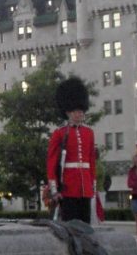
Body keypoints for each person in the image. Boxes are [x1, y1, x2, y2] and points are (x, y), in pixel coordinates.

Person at [46, 76, 97, 224]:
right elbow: (52, 162)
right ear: (68, 112)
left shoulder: (89, 133)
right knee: (70, 227)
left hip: (85, 187)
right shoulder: (60, 133)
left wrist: (92, 186)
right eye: (76, 111)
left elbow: (91, 161)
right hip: (68, 188)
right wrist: (54, 190)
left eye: (81, 111)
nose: (80, 114)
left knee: (86, 227)